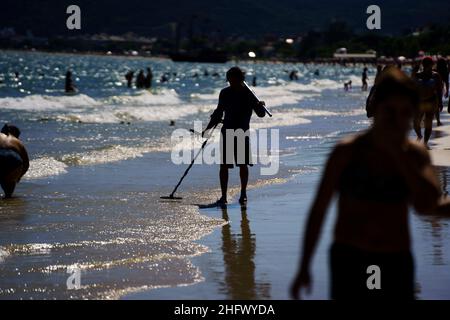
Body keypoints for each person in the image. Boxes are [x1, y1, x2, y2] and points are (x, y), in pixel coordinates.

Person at [290, 68, 450, 300]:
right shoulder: (347, 152)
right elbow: (319, 209)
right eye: (390, 112)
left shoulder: (415, 155)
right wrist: (304, 266)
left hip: (395, 258)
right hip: (349, 257)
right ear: (375, 109)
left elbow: (427, 204)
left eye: (405, 113)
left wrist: (399, 155)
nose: (398, 120)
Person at [203, 67, 267, 206]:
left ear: (241, 79)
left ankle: (243, 194)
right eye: (230, 79)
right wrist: (207, 130)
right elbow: (218, 112)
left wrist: (260, 105)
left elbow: (261, 114)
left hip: (242, 132)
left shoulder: (249, 94)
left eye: (235, 79)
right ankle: (224, 197)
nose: (232, 82)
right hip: (227, 131)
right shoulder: (225, 93)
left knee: (243, 165)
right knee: (224, 165)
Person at [413, 57, 443, 145]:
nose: (427, 66)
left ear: (432, 64)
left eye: (429, 64)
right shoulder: (417, 75)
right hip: (419, 101)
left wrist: (440, 102)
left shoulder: (436, 75)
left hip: (431, 101)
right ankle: (419, 135)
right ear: (423, 65)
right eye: (425, 64)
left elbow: (439, 90)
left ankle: (425, 142)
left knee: (428, 123)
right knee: (416, 122)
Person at [0, 124, 29, 198]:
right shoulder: (18, 142)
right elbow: (26, 163)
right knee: (8, 186)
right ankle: (8, 198)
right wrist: (19, 176)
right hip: (13, 160)